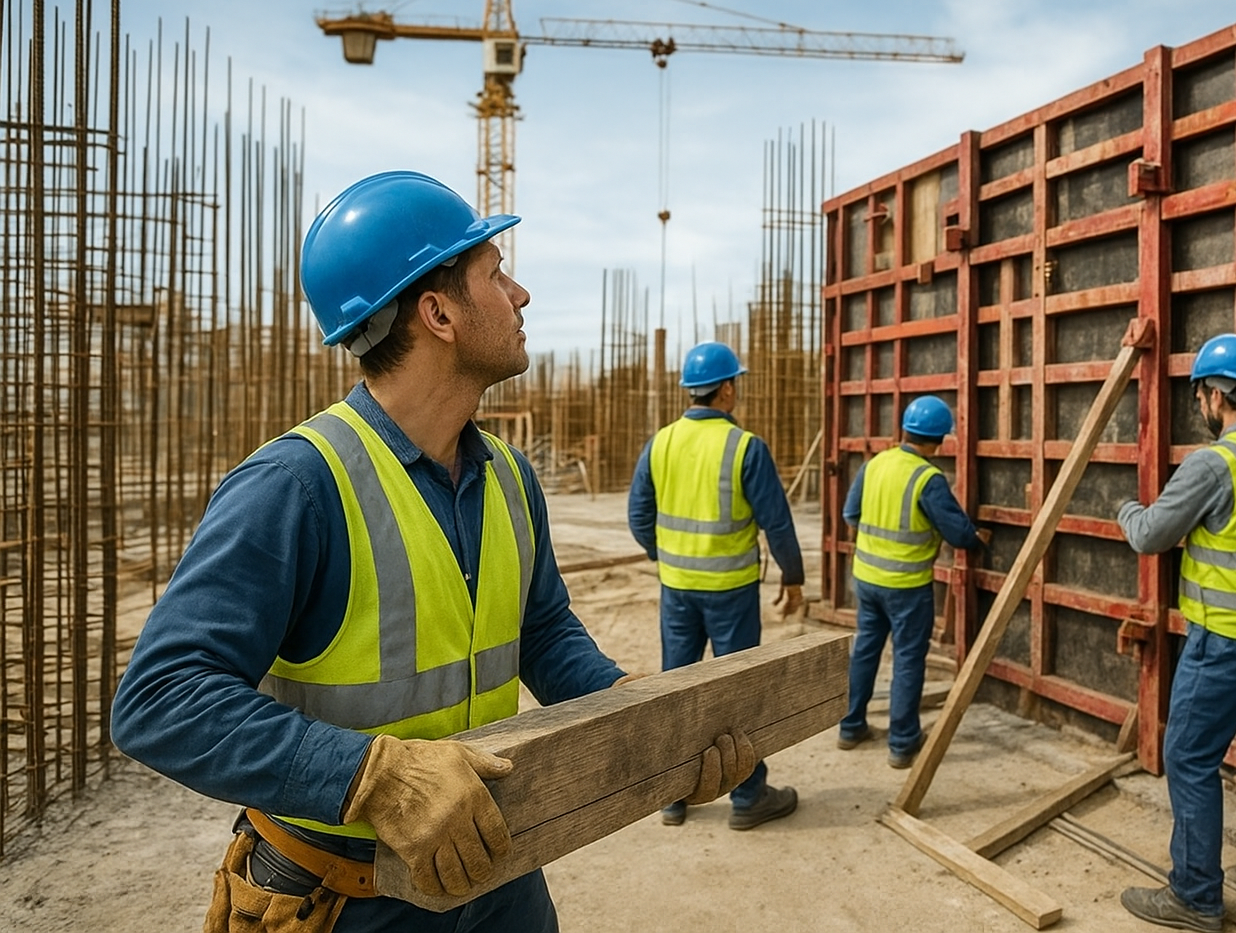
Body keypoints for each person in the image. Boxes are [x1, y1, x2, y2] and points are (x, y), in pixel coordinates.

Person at [111, 171, 755, 933]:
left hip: (497, 869)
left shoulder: (509, 475)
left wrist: (646, 720)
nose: (520, 296)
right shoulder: (297, 485)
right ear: (438, 311)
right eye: (495, 273)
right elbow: (160, 700)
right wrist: (371, 776)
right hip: (346, 899)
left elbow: (542, 634)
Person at [1116, 333, 1236, 932]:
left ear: (1216, 395)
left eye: (1200, 392)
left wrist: (1125, 509)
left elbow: (1152, 534)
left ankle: (1195, 896)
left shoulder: (1216, 462)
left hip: (1228, 639)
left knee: (1188, 756)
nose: (1199, 403)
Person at [627, 340, 805, 829]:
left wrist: (665, 555)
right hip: (731, 593)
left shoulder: (660, 442)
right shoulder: (746, 447)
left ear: (690, 391)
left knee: (677, 686)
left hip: (677, 589)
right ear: (727, 388)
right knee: (736, 691)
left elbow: (638, 514)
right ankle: (748, 798)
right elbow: (778, 524)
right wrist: (793, 579)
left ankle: (672, 796)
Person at [837, 395, 990, 769]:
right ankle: (903, 743)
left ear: (905, 429)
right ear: (939, 439)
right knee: (907, 658)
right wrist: (977, 539)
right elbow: (957, 533)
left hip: (867, 580)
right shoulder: (928, 478)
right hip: (906, 586)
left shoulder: (875, 464)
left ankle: (850, 726)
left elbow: (850, 513)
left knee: (865, 651)